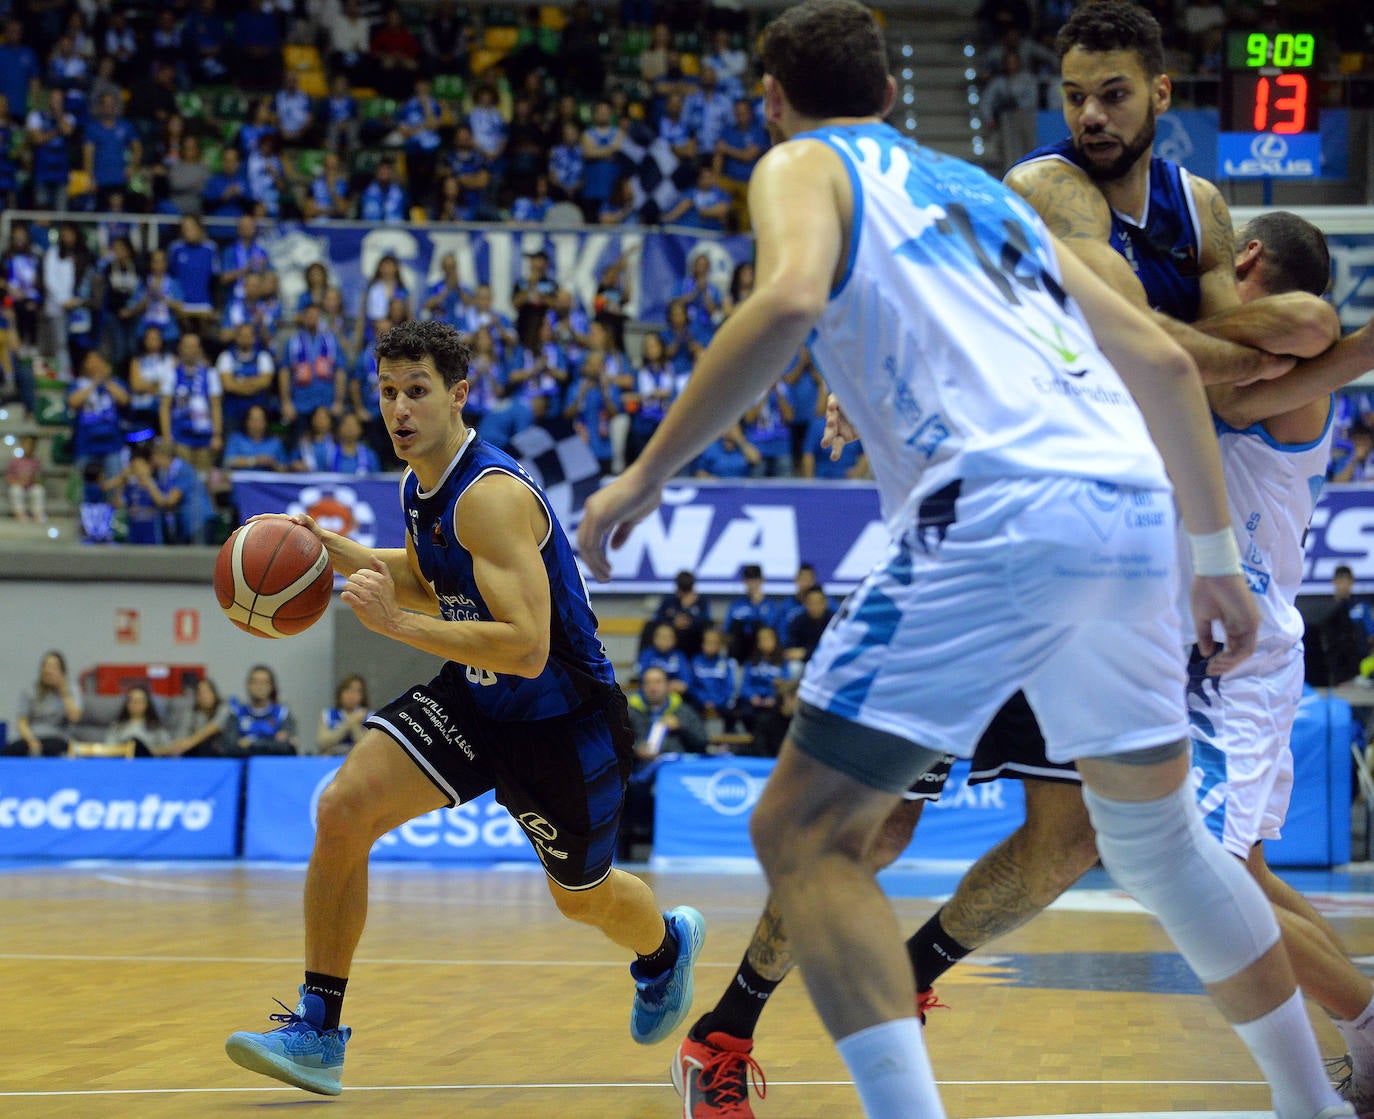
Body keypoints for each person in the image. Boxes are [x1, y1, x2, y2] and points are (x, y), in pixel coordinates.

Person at [576, 5, 1350, 1119]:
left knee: (801, 831)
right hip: (1138, 516)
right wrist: (1215, 557)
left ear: (771, 103)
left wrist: (645, 476)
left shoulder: (803, 161)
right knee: (1162, 846)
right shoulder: (988, 192)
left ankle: (834, 1063)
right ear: (895, 96)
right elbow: (1161, 366)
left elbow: (790, 297)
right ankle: (1312, 1106)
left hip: (990, 514)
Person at [224, 319, 704, 1097]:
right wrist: (329, 549)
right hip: (476, 701)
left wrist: (397, 625)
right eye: (387, 393)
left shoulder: (492, 496)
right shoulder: (418, 485)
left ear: (458, 394)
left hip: (563, 721)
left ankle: (663, 951)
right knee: (344, 808)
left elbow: (526, 646)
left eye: (416, 391)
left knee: (582, 899)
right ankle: (318, 1029)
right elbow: (430, 581)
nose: (399, 409)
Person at [9, 650, 82, 757]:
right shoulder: (30, 691)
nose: (48, 671)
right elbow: (22, 722)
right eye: (46, 666)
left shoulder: (71, 690)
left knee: (52, 749)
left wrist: (63, 691)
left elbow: (75, 717)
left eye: (53, 667)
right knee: (10, 751)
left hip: (57, 737)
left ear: (62, 671)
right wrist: (31, 740)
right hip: (32, 737)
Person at [229, 665, 298, 757]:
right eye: (255, 682)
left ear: (271, 686)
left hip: (275, 767)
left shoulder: (282, 714)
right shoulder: (236, 713)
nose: (259, 687)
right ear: (247, 685)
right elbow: (230, 746)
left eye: (264, 683)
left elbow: (286, 746)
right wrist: (272, 740)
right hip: (243, 767)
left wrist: (251, 743)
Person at [170, 677, 233, 757]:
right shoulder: (193, 712)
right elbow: (183, 732)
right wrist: (179, 744)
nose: (204, 696)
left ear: (214, 693)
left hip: (223, 753)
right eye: (200, 693)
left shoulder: (224, 707)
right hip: (200, 753)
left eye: (207, 692)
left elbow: (215, 726)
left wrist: (190, 742)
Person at [107, 685, 171, 757]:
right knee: (132, 743)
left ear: (147, 704)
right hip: (123, 761)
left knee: (136, 744)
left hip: (148, 761)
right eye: (132, 700)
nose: (135, 704)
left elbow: (168, 748)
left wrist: (151, 751)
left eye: (139, 701)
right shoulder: (118, 725)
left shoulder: (155, 725)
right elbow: (109, 748)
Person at [318, 675, 370, 756]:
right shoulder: (327, 714)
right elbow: (323, 742)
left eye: (358, 691)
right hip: (333, 761)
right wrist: (347, 724)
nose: (352, 695)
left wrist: (355, 725)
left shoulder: (370, 716)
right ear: (340, 693)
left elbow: (367, 746)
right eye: (348, 690)